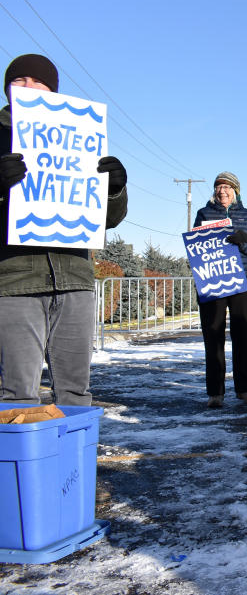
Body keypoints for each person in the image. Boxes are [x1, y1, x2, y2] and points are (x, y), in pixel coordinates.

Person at [0, 54, 128, 405]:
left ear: (53, 91)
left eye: (38, 81)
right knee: (17, 393)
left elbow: (108, 219)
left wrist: (114, 189)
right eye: (19, 80)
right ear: (7, 87)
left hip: (75, 278)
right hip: (14, 281)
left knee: (76, 392)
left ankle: (72, 461)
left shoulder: (78, 135)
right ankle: (23, 461)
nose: (28, 87)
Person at [193, 172, 247, 407]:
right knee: (213, 336)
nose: (223, 191)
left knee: (242, 337)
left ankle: (245, 390)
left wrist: (242, 242)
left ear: (236, 190)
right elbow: (195, 246)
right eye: (219, 187)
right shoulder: (204, 214)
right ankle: (215, 393)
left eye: (227, 187)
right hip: (213, 281)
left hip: (242, 282)